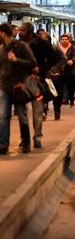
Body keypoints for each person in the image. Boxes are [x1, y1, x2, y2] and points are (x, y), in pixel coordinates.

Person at [0, 23, 37, 154]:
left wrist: (16, 60)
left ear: (3, 33)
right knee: (3, 116)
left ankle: (26, 142)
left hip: (19, 86)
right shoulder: (1, 50)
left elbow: (32, 63)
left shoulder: (21, 46)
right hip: (4, 87)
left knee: (22, 116)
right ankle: (3, 145)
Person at [19, 22, 54, 149]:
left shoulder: (42, 44)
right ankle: (24, 138)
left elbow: (53, 58)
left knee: (37, 111)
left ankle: (37, 137)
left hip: (37, 82)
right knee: (21, 112)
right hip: (21, 82)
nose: (19, 32)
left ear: (28, 31)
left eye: (22, 30)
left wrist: (41, 69)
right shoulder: (18, 45)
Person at [59, 34, 75, 107]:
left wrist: (72, 60)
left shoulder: (72, 47)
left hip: (70, 70)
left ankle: (71, 100)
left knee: (71, 86)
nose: (64, 41)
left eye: (66, 39)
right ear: (61, 40)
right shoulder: (58, 48)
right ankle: (61, 100)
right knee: (60, 86)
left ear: (68, 40)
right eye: (63, 39)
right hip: (60, 70)